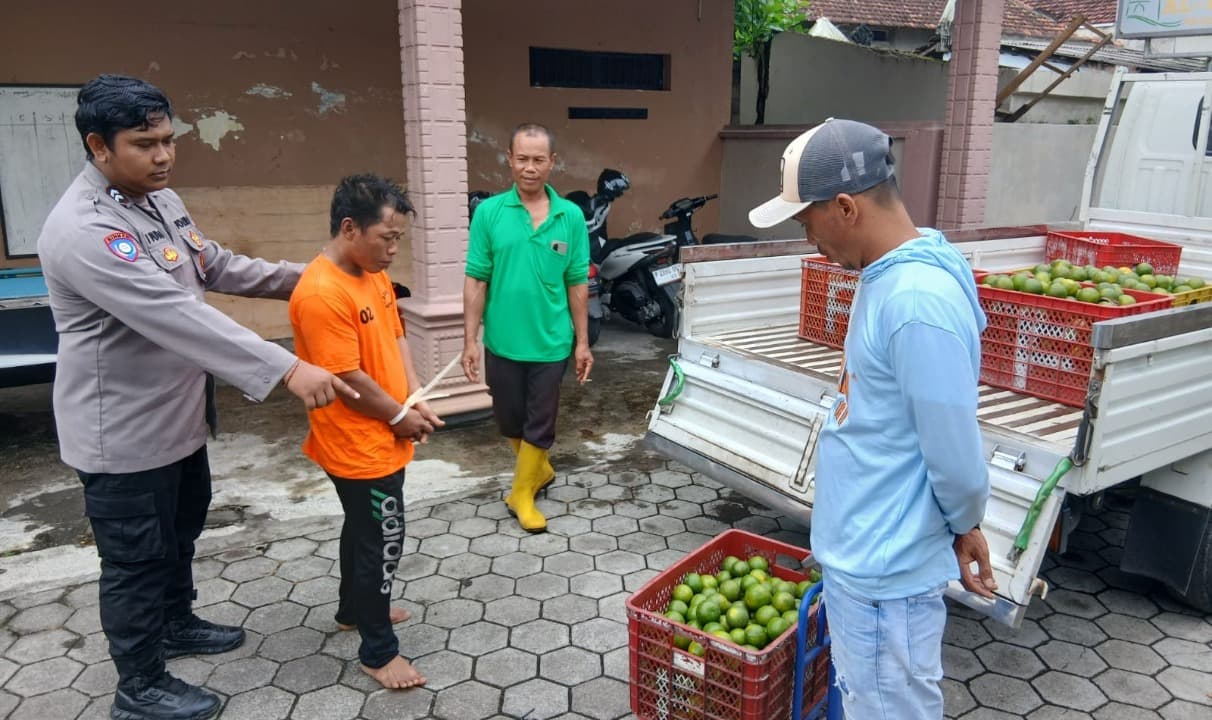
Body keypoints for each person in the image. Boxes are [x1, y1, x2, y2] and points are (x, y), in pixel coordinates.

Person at [36, 74, 358, 720]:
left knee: (180, 532)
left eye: (168, 141)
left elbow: (214, 266)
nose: (162, 156)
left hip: (176, 417)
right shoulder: (84, 231)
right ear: (98, 146)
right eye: (144, 144)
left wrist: (321, 279)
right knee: (134, 559)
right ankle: (141, 684)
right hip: (121, 433)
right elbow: (178, 315)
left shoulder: (159, 201)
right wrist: (287, 368)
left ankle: (176, 623)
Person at [748, 118, 997, 720]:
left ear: (844, 207)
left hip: (886, 575)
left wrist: (965, 522)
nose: (808, 238)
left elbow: (955, 452)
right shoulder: (888, 275)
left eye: (806, 222)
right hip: (867, 554)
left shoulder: (916, 301)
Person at [289, 174, 442, 689]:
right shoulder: (320, 292)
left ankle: (353, 610)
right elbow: (347, 378)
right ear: (350, 228)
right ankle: (378, 652)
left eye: (400, 238)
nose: (394, 249)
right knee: (384, 539)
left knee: (361, 529)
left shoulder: (371, 269)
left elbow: (395, 332)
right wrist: (399, 417)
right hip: (358, 444)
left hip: (385, 430)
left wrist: (414, 396)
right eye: (389, 237)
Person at [461, 123, 592, 533]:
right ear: (509, 159)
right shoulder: (489, 213)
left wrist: (582, 343)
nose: (529, 168)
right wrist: (470, 339)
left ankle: (522, 494)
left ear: (552, 163)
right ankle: (539, 470)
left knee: (540, 421)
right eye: (522, 159)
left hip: (551, 341)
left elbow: (577, 284)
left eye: (538, 160)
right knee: (508, 420)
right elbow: (476, 278)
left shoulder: (569, 216)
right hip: (502, 339)